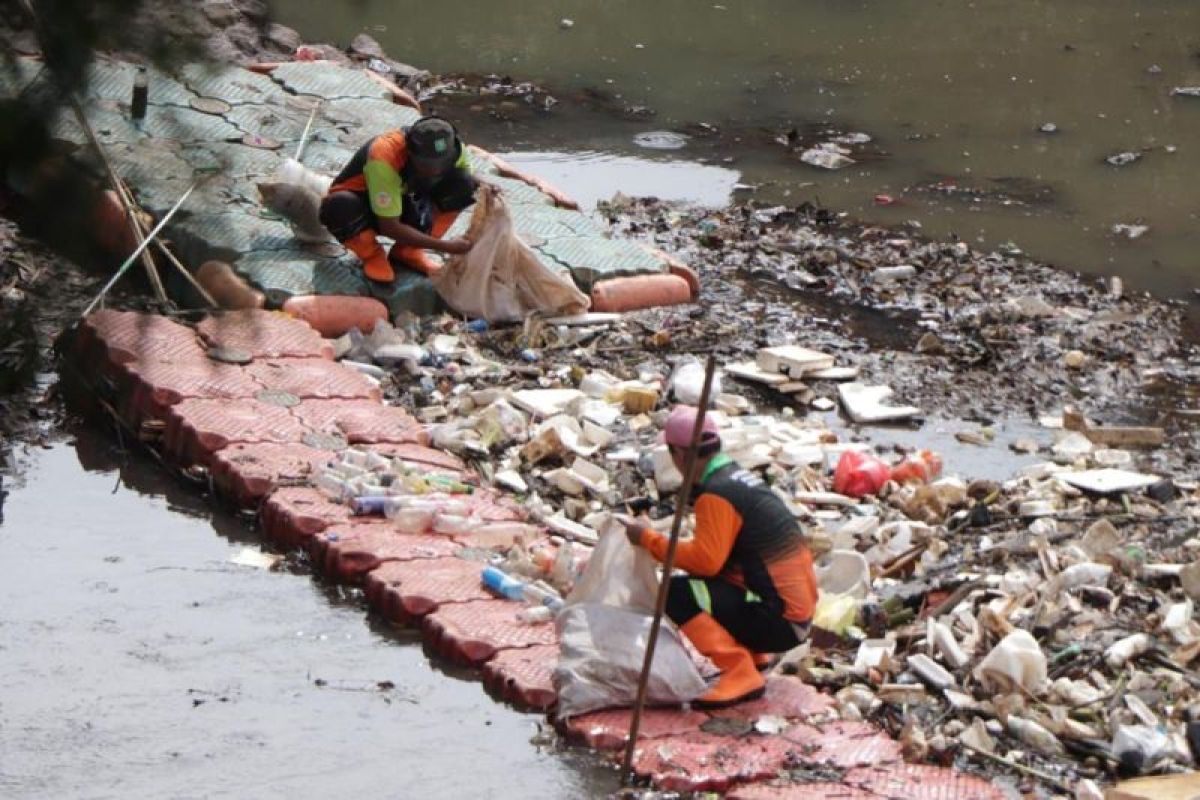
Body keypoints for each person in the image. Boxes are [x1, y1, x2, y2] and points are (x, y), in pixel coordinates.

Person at [624, 406, 818, 708]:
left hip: (778, 621)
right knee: (704, 581)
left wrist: (649, 540)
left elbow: (706, 560)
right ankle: (752, 655)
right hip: (795, 616)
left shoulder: (717, 494)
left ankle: (738, 670)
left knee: (673, 592)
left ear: (681, 455)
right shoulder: (738, 479)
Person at [319, 116, 476, 283]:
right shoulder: (384, 156)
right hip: (364, 206)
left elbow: (466, 178)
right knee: (339, 205)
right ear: (409, 152)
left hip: (403, 197)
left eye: (441, 163)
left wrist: (488, 187)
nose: (435, 170)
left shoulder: (457, 150)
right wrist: (445, 246)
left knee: (464, 184)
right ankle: (372, 254)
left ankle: (408, 251)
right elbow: (389, 227)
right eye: (426, 164)